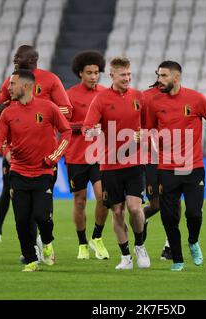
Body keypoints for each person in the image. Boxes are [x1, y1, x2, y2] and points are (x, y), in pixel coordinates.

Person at [0, 45, 72, 252]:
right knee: (21, 208)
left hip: (44, 153)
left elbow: (67, 110)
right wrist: (0, 108)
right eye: (15, 56)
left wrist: (39, 106)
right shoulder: (11, 81)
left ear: (33, 59)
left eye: (19, 57)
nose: (15, 59)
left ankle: (44, 240)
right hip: (16, 151)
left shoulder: (50, 80)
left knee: (40, 209)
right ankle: (31, 248)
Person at [82, 56, 150, 270]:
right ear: (112, 75)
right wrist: (92, 131)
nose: (127, 78)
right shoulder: (101, 99)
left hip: (135, 163)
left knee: (135, 209)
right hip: (110, 165)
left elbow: (150, 126)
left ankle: (140, 246)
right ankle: (126, 257)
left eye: (129, 74)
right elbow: (87, 127)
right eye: (123, 75)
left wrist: (144, 135)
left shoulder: (139, 97)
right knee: (118, 211)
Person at [146, 61, 206, 271]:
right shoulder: (154, 102)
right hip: (166, 169)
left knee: (194, 213)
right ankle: (177, 259)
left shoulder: (197, 99)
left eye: (164, 76)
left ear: (176, 78)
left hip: (193, 168)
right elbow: (148, 130)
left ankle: (193, 241)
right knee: (168, 216)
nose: (159, 80)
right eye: (159, 75)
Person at [65, 50, 110, 260]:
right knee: (80, 201)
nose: (93, 76)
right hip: (76, 156)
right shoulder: (69, 95)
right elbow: (62, 125)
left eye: (96, 72)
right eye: (89, 72)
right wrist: (85, 126)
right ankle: (82, 243)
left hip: (100, 155)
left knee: (103, 197)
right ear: (80, 74)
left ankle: (97, 237)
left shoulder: (105, 93)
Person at [142, 79, 176, 260]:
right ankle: (142, 219)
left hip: (175, 157)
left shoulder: (181, 97)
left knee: (174, 201)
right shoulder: (145, 97)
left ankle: (169, 245)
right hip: (151, 159)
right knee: (155, 204)